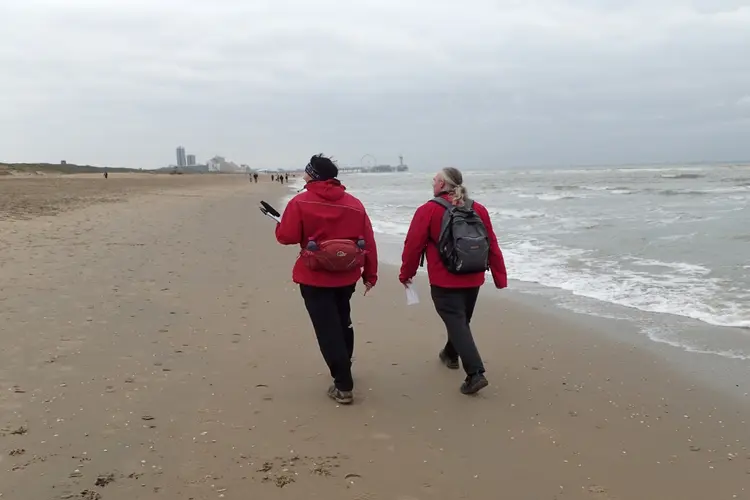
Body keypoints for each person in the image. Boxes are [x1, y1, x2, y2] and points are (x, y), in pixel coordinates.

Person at [275, 154, 378, 404]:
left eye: (306, 172)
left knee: (327, 329)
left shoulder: (300, 202)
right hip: (347, 274)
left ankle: (343, 384)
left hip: (315, 276)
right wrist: (370, 274)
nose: (303, 176)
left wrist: (279, 224)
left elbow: (285, 237)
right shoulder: (354, 204)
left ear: (313, 175)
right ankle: (345, 367)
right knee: (343, 320)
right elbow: (369, 240)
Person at [399, 167, 507, 395]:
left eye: (435, 179)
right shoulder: (478, 208)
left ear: (442, 185)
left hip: (444, 279)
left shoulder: (428, 210)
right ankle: (450, 354)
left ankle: (475, 373)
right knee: (460, 321)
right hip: (474, 276)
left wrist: (406, 274)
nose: (432, 182)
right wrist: (499, 276)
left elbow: (412, 246)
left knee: (457, 322)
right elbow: (492, 243)